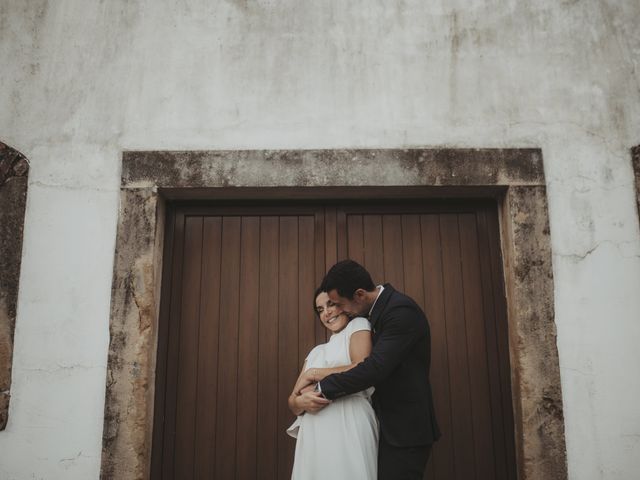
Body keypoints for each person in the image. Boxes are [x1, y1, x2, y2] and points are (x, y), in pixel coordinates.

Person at [314, 260, 441, 480]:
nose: (338, 310)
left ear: (360, 295)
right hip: (380, 428)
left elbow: (375, 368)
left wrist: (320, 387)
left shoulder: (400, 311)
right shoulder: (365, 315)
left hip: (405, 431)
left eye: (339, 304)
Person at [287, 288, 379, 479]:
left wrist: (314, 374)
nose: (326, 313)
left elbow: (361, 366)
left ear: (344, 304)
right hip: (313, 432)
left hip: (348, 420)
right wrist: (299, 403)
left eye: (330, 304)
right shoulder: (316, 352)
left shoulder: (359, 325)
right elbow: (293, 401)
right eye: (320, 309)